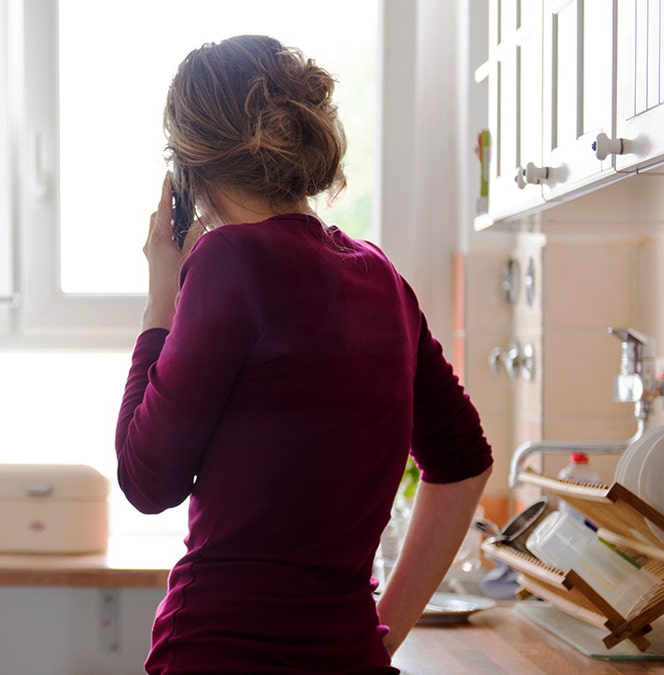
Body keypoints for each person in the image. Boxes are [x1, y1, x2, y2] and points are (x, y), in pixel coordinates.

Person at [114, 35, 493, 674]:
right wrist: (379, 635)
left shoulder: (226, 262)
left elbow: (147, 481)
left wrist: (160, 302)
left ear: (187, 168)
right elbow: (463, 465)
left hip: (220, 651)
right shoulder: (381, 277)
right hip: (349, 656)